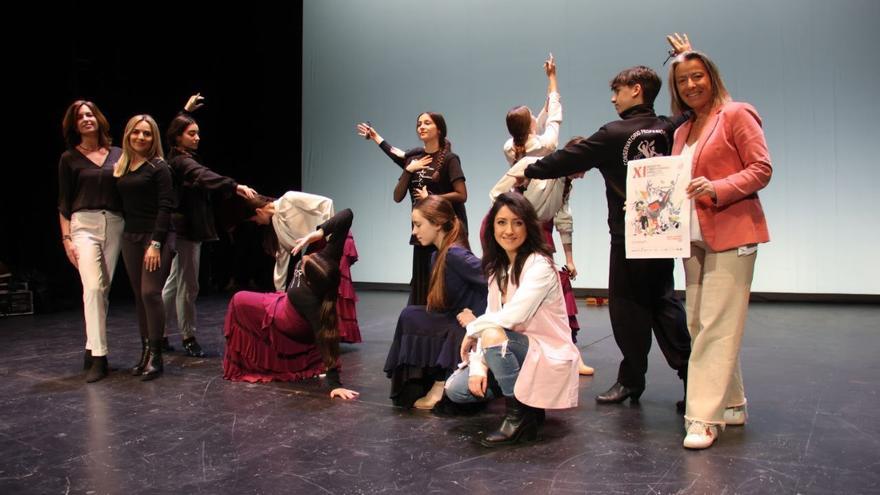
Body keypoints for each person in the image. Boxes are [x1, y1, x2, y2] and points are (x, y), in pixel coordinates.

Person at [508, 35, 695, 410]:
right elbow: (690, 109)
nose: (613, 98)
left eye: (618, 91)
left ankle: (631, 381)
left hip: (627, 237)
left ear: (636, 90)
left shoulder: (614, 134)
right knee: (664, 303)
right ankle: (692, 379)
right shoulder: (669, 127)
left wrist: (527, 170)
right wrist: (683, 58)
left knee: (627, 308)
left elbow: (565, 159)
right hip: (663, 236)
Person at [668, 47, 772, 449]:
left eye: (697, 76)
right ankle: (731, 404)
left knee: (715, 325)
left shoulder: (736, 114)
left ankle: (703, 418)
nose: (691, 85)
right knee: (699, 324)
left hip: (733, 233)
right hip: (692, 240)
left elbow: (761, 168)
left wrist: (718, 188)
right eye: (682, 80)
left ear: (711, 76)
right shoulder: (681, 131)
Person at [448, 193, 580, 447]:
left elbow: (513, 317)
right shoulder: (497, 269)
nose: (509, 230)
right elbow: (491, 316)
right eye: (501, 222)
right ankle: (530, 407)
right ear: (492, 227)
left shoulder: (540, 265)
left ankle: (519, 418)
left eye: (517, 223)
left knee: (492, 333)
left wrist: (472, 329)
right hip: (515, 348)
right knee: (458, 390)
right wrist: (477, 366)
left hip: (546, 351)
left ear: (528, 226)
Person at [222, 208, 359, 400]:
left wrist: (334, 384)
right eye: (311, 256)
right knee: (247, 299)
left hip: (286, 320)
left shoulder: (309, 300)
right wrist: (318, 233)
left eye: (305, 263)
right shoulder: (329, 259)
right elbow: (348, 214)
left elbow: (326, 340)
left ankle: (239, 364)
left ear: (309, 281)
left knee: (239, 300)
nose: (305, 257)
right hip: (282, 301)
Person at [162, 93, 257, 357]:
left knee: (173, 283)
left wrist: (185, 110)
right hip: (186, 229)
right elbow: (203, 176)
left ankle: (159, 334)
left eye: (198, 133)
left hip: (180, 228)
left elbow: (174, 133)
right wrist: (235, 186)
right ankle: (188, 335)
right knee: (188, 285)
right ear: (179, 136)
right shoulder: (181, 161)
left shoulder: (175, 155)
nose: (197, 137)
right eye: (192, 133)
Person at [383, 196, 487, 409]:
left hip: (467, 324)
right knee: (410, 314)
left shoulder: (456, 254)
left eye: (418, 224)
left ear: (438, 223)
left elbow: (494, 280)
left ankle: (441, 382)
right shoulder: (437, 256)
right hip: (453, 316)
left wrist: (480, 318)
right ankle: (421, 380)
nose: (414, 231)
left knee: (452, 328)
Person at [357, 113, 468, 305]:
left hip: (445, 232)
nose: (421, 127)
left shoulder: (450, 159)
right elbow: (394, 153)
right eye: (419, 124)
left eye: (427, 123)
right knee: (423, 281)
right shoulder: (414, 158)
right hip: (422, 232)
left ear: (439, 129)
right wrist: (376, 137)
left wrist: (432, 198)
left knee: (445, 279)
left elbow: (461, 195)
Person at [57, 100, 124, 382]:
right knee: (94, 287)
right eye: (80, 116)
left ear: (99, 119)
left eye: (90, 114)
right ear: (75, 125)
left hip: (115, 222)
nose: (86, 119)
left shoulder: (118, 154)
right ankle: (99, 356)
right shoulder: (69, 158)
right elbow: (63, 203)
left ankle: (89, 346)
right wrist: (67, 238)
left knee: (103, 289)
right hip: (83, 225)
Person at [237, 192, 361, 343]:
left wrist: (326, 235)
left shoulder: (289, 199)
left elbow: (326, 203)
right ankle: (326, 334)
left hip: (333, 237)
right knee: (316, 288)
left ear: (258, 211)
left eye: (254, 219)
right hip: (318, 246)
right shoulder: (276, 225)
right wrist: (279, 294)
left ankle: (334, 336)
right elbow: (281, 259)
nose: (257, 223)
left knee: (333, 288)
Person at [114, 115, 176, 381]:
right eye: (136, 132)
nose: (141, 137)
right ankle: (144, 354)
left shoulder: (159, 167)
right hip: (130, 236)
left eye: (147, 134)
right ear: (128, 135)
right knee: (140, 296)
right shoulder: (123, 166)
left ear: (154, 138)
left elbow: (166, 207)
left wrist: (155, 242)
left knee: (151, 293)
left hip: (157, 236)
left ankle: (157, 356)